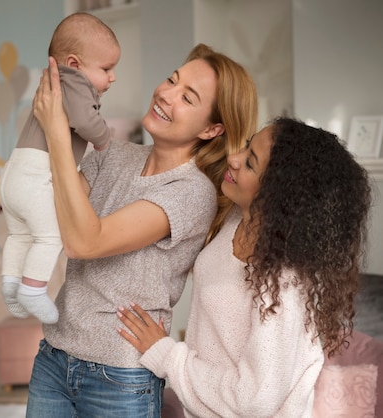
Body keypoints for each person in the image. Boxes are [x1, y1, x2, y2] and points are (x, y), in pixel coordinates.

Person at [26, 43, 259, 417]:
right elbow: (58, 214)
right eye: (172, 80)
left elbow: (84, 241)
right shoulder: (114, 154)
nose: (166, 94)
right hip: (55, 356)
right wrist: (67, 117)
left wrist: (57, 133)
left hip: (119, 375)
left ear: (212, 128)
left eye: (187, 97)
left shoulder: (191, 192)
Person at [117, 117, 372, 417]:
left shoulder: (284, 282)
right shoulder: (237, 219)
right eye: (248, 145)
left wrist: (167, 355)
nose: (234, 158)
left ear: (277, 197)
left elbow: (254, 400)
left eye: (250, 163)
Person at [0, 12, 120, 324]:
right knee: (50, 237)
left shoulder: (54, 84)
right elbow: (84, 119)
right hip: (38, 176)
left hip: (12, 177)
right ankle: (33, 290)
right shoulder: (75, 84)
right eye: (106, 69)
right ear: (75, 64)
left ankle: (11, 284)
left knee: (19, 236)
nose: (112, 77)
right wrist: (105, 140)